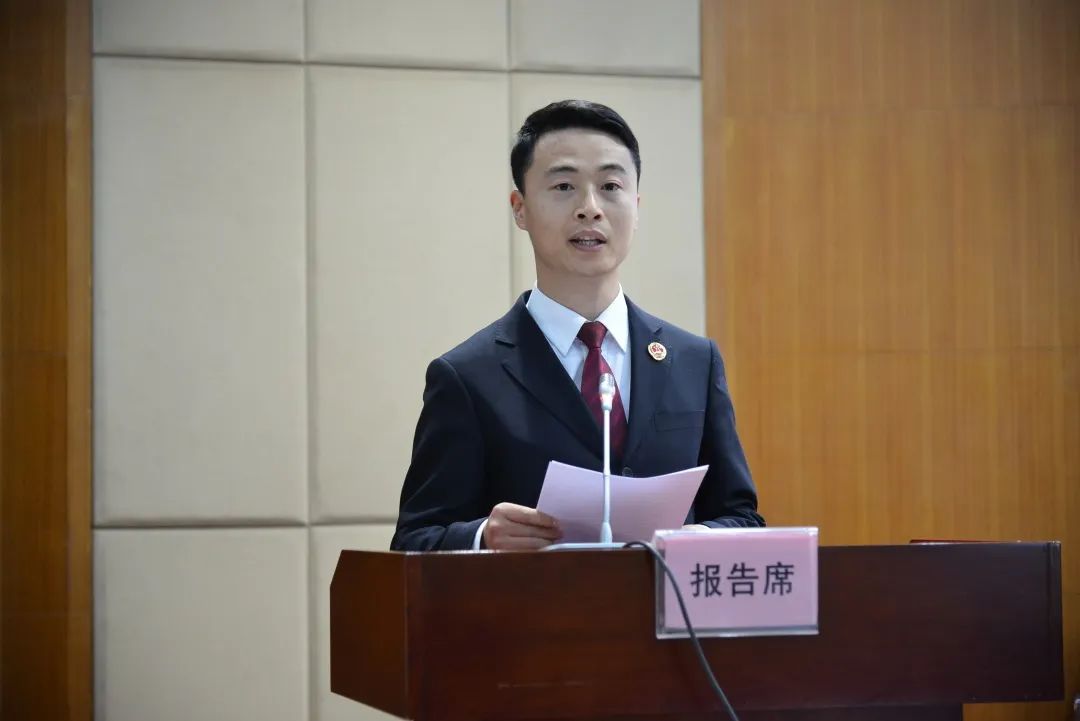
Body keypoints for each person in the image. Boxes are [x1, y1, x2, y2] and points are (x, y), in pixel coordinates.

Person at [391, 100, 763, 552]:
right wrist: (482, 536)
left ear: (636, 206)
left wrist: (699, 540)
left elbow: (742, 516)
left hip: (663, 599)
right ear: (520, 208)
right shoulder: (468, 376)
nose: (590, 208)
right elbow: (414, 540)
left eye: (610, 186)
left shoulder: (694, 362)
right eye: (564, 186)